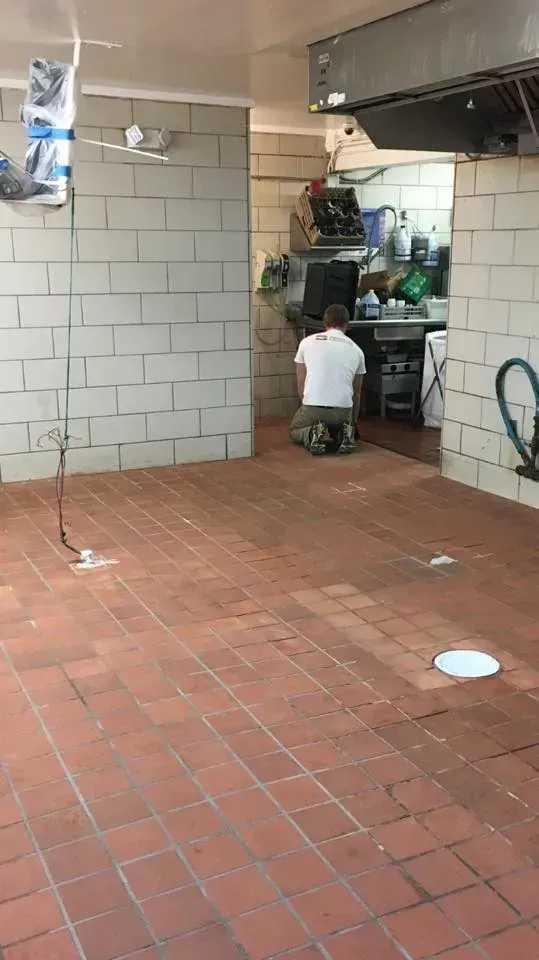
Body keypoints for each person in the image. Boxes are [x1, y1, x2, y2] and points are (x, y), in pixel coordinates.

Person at [290, 303, 366, 455]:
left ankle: (311, 433)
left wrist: (308, 403)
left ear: (324, 322)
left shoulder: (306, 342)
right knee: (338, 424)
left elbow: (300, 385)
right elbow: (357, 393)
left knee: (294, 430)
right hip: (343, 410)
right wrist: (353, 422)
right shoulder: (357, 350)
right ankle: (345, 432)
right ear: (346, 324)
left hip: (313, 407)